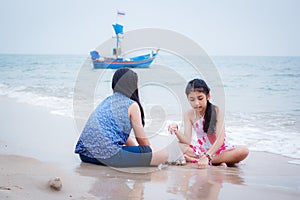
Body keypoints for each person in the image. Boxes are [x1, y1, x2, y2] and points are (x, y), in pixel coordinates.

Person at [75, 68, 168, 167]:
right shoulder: (131, 105)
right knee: (163, 153)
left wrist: (136, 152)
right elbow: (143, 141)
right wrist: (149, 154)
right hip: (108, 156)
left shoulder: (107, 101)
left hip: (85, 155)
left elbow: (118, 134)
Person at [168, 79, 248, 168]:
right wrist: (176, 131)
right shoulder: (188, 115)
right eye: (192, 99)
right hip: (201, 150)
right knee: (175, 145)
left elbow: (220, 140)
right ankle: (218, 161)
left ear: (208, 96)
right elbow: (187, 140)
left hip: (219, 150)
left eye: (200, 98)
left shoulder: (216, 111)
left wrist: (207, 156)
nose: (196, 103)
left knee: (243, 151)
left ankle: (200, 160)